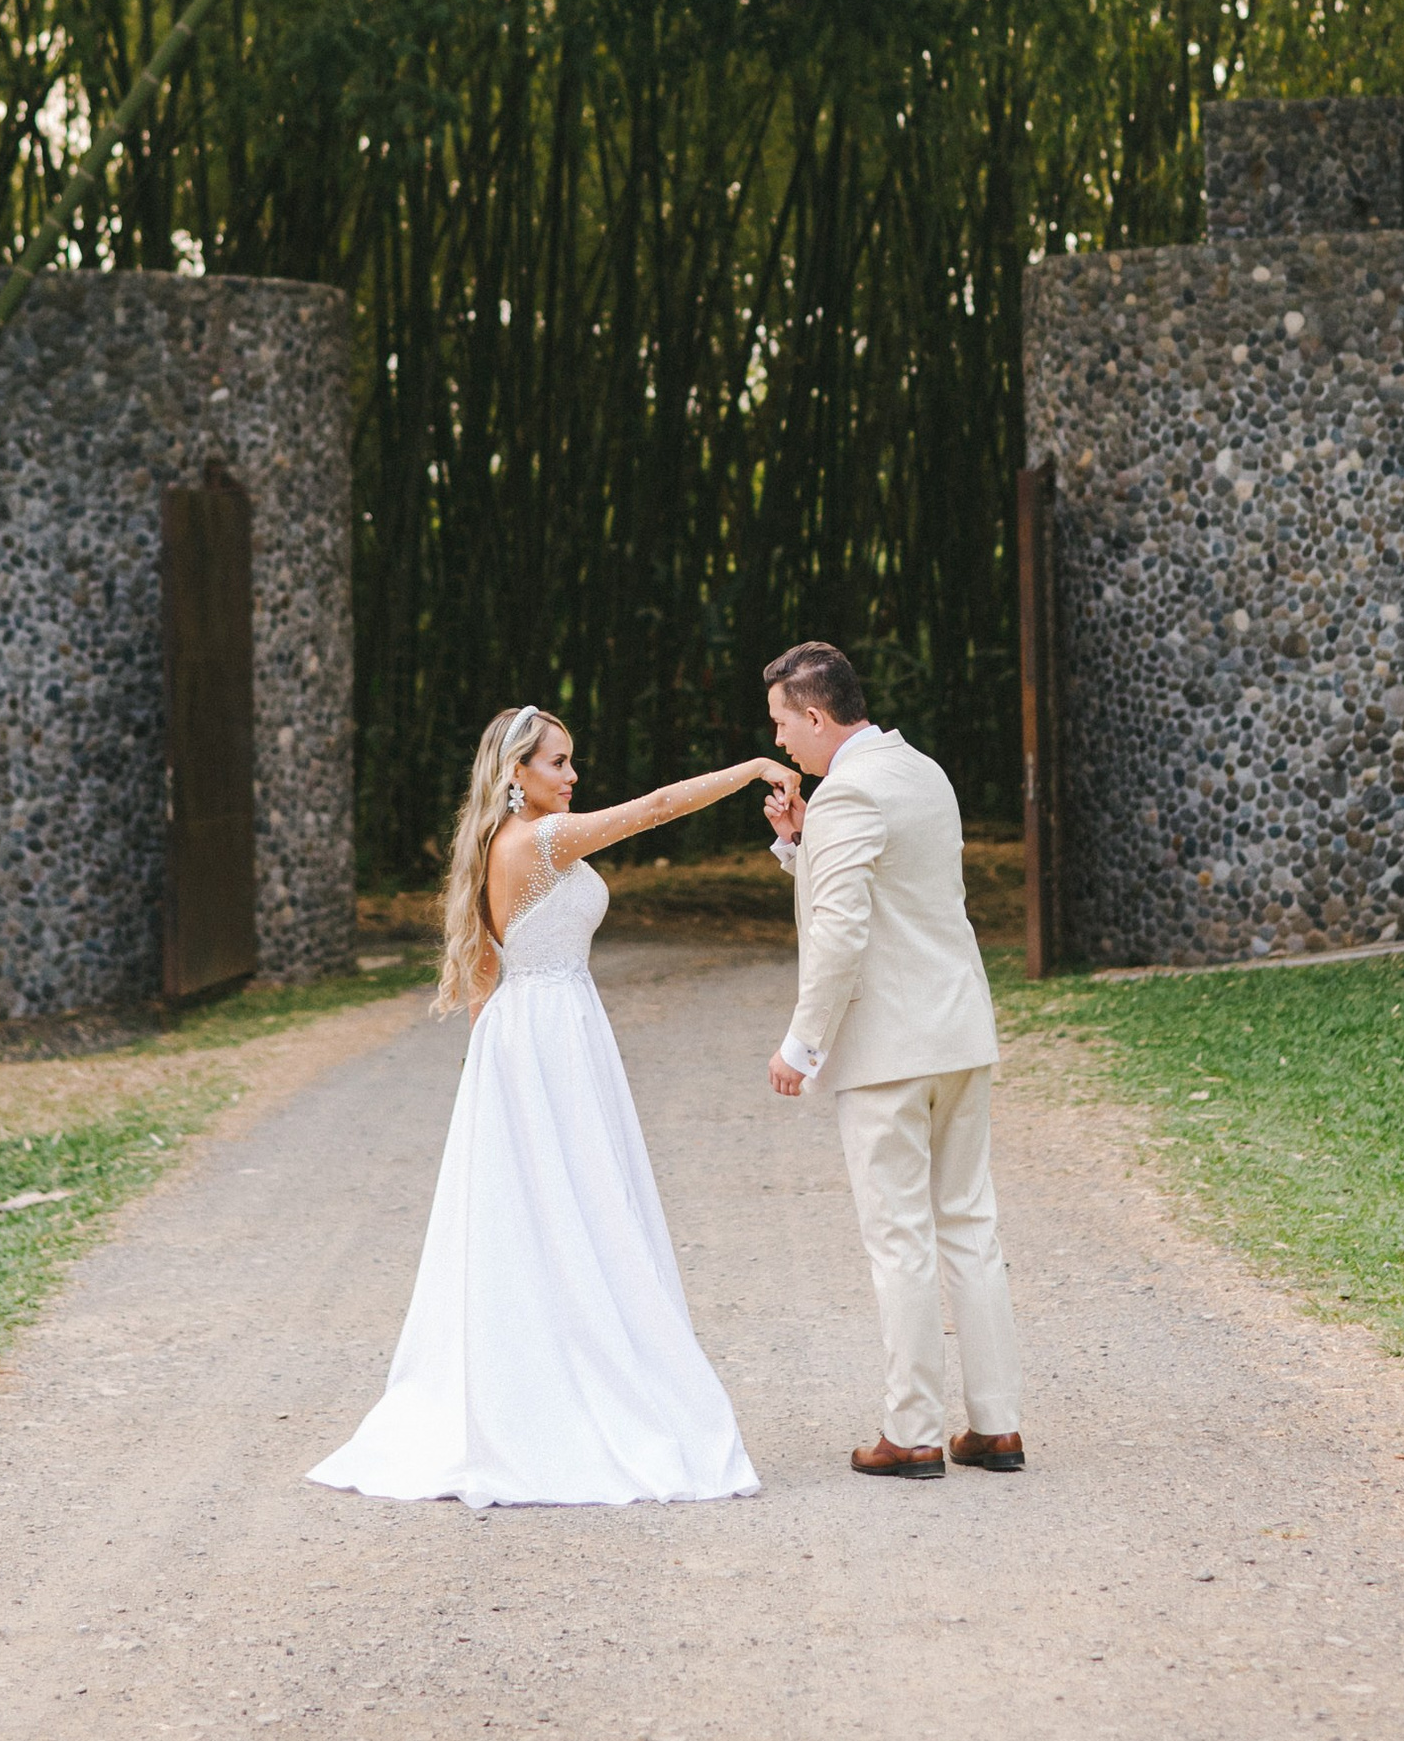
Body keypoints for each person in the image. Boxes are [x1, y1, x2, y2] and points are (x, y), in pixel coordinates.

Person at [310, 703, 794, 1511]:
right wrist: (749, 771)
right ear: (515, 776)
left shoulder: (500, 845)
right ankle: (578, 1386)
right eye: (559, 763)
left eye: (572, 762)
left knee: (556, 1207)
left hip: (534, 1036)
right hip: (550, 1035)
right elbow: (655, 810)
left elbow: (483, 981)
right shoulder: (536, 841)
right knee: (578, 1206)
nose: (572, 777)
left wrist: (489, 1076)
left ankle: (561, 1360)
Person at [760, 640, 1025, 1481]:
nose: (780, 743)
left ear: (814, 713)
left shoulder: (848, 794)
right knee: (970, 1229)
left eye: (781, 724)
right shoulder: (922, 772)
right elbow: (898, 888)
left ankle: (911, 1432)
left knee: (900, 1239)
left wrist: (803, 1043)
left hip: (888, 1053)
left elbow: (840, 932)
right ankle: (996, 1425)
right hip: (959, 1033)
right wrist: (800, 842)